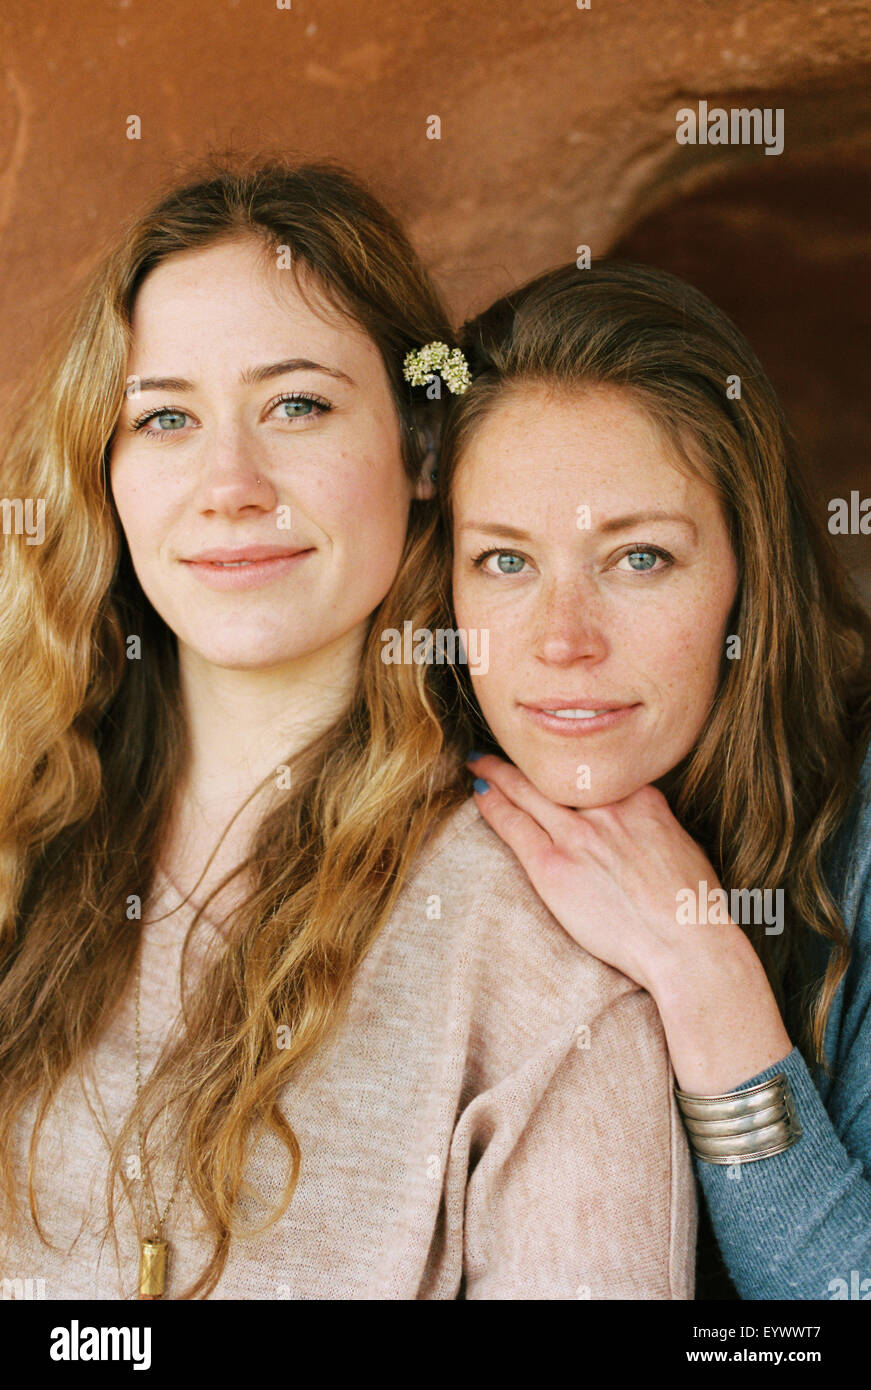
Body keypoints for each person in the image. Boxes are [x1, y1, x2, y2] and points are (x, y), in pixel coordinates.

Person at [0, 165, 695, 1300]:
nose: (230, 484)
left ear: (425, 452)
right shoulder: (22, 829)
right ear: (105, 468)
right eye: (166, 416)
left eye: (298, 405)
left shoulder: (536, 940)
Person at [433, 258, 871, 1301]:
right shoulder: (403, 814)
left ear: (747, 575)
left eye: (638, 559)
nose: (563, 641)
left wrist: (703, 975)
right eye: (504, 561)